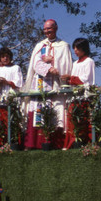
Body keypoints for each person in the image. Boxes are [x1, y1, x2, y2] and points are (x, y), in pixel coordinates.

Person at [22, 19, 72, 149]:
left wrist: (54, 63)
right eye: (44, 29)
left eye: (49, 29)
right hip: (40, 84)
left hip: (56, 85)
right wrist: (47, 67)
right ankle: (34, 144)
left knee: (56, 112)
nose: (46, 32)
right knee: (38, 112)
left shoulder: (63, 45)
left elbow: (65, 65)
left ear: (56, 28)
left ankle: (54, 144)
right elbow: (35, 64)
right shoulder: (40, 46)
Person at [61, 38, 96, 149]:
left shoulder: (89, 61)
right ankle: (72, 143)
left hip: (84, 96)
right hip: (74, 96)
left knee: (83, 120)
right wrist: (68, 80)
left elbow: (85, 80)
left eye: (78, 48)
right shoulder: (75, 63)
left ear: (84, 48)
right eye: (74, 48)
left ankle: (84, 142)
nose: (75, 50)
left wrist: (71, 78)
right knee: (72, 119)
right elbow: (73, 80)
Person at [0, 47, 24, 148]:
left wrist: (6, 82)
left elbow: (19, 83)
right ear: (0, 58)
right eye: (3, 57)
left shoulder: (16, 68)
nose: (5, 58)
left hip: (11, 99)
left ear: (10, 57)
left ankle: (13, 143)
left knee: (12, 122)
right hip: (0, 101)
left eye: (7, 56)